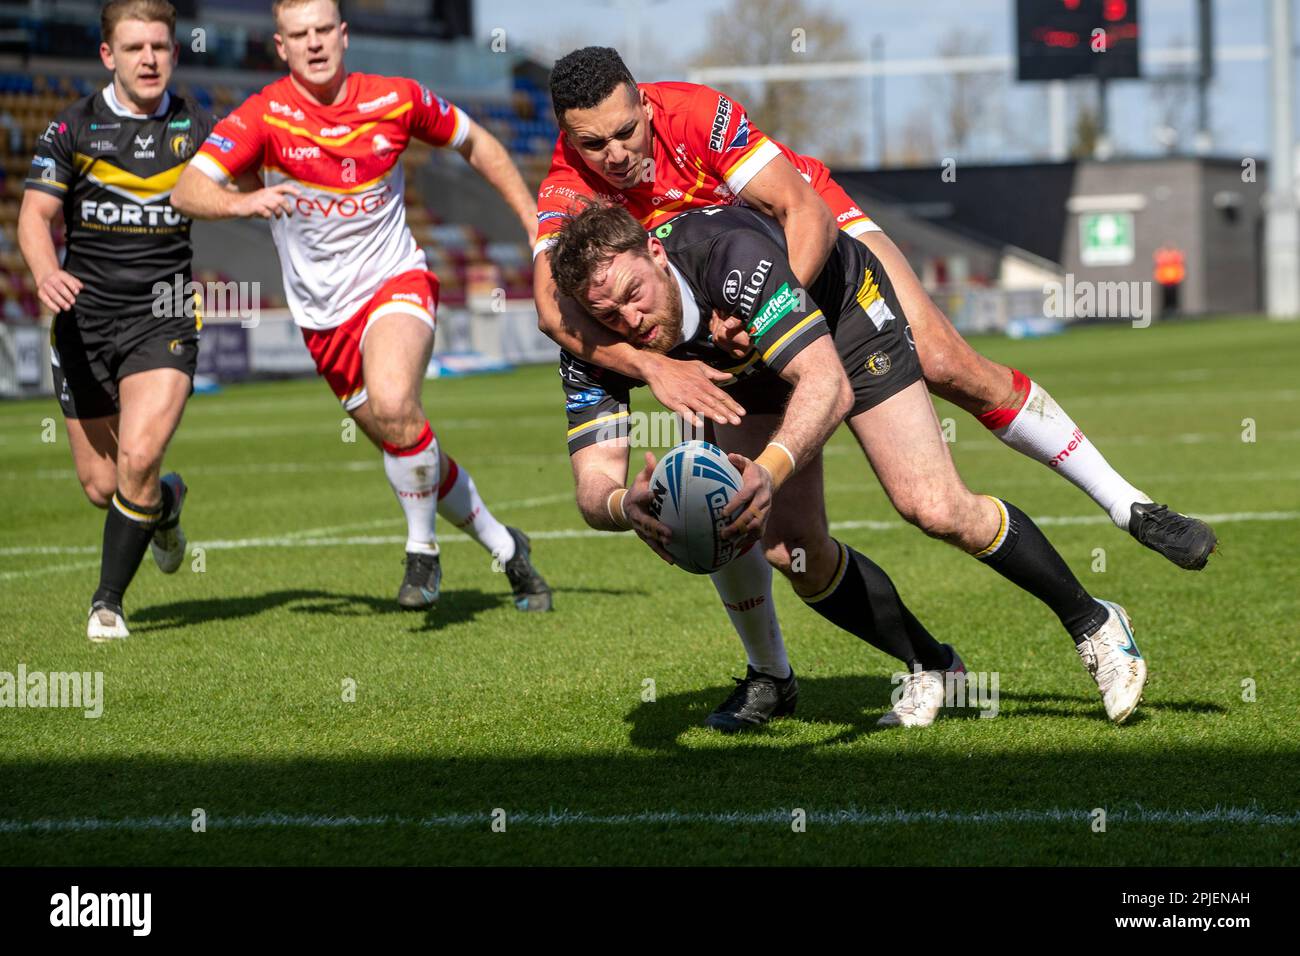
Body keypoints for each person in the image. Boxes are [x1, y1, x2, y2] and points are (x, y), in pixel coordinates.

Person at [532, 46, 1216, 573]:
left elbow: (800, 211)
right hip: (723, 294)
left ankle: (1131, 506)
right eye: (594, 144)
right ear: (567, 136)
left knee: (948, 361)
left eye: (626, 132)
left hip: (814, 240)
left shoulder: (692, 111)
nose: (616, 156)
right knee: (775, 532)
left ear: (644, 106)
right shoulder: (566, 185)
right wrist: (652, 367)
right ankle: (774, 672)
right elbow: (550, 310)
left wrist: (775, 309)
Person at [550, 201, 1148, 725]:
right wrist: (621, 505)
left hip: (841, 322)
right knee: (792, 552)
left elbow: (826, 384)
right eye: (609, 315)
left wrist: (769, 472)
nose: (630, 321)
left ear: (656, 253)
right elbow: (592, 483)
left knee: (933, 506)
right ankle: (934, 666)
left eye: (634, 295)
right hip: (746, 374)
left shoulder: (730, 258)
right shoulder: (597, 345)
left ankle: (1094, 621)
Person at [171, 0, 551, 611]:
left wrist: (535, 225)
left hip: (394, 281)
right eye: (301, 34)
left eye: (324, 30)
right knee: (406, 439)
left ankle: (421, 553)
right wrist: (245, 203)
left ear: (344, 35)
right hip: (323, 320)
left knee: (398, 403)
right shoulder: (263, 114)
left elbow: (476, 142)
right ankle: (507, 545)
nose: (315, 43)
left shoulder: (396, 99)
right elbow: (187, 190)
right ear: (281, 46)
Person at [19, 0, 213, 640]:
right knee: (104, 486)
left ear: (175, 52)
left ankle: (107, 603)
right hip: (84, 323)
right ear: (109, 56)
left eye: (160, 46)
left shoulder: (197, 125)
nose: (149, 58)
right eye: (134, 48)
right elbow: (33, 219)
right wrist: (46, 270)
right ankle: (166, 505)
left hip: (163, 318)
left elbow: (242, 180)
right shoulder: (71, 129)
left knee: (137, 459)